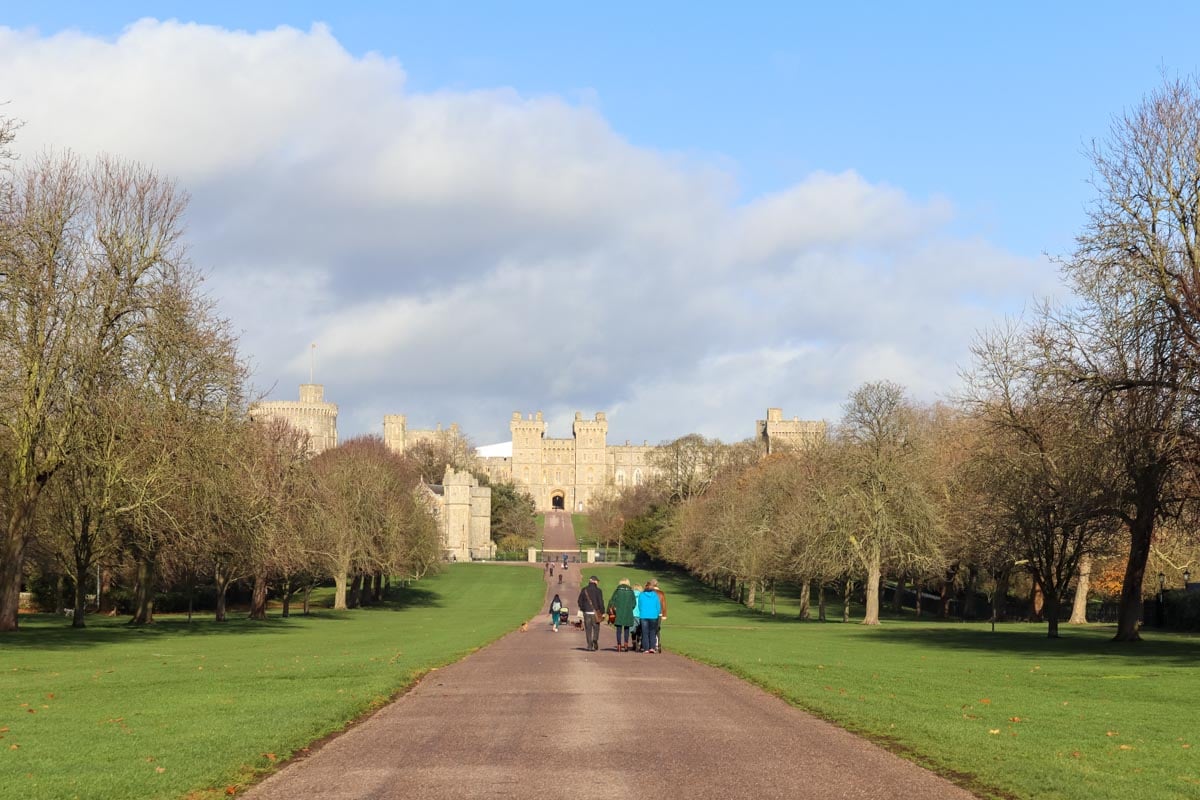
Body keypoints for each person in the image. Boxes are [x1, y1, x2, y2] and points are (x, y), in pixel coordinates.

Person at [607, 578, 637, 652]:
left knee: (619, 630)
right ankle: (626, 645)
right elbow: (634, 604)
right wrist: (629, 609)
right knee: (626, 630)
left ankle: (619, 645)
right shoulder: (631, 592)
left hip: (619, 613)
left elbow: (612, 601)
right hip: (628, 613)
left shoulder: (617, 591)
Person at [578, 575, 605, 651]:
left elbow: (579, 601)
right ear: (595, 581)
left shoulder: (584, 589)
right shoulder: (598, 591)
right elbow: (601, 602)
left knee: (588, 630)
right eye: (597, 581)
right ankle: (595, 639)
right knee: (596, 628)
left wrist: (583, 608)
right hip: (595, 613)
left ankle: (589, 646)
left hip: (586, 612)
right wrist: (602, 612)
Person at [636, 580, 662, 654]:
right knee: (652, 632)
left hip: (644, 615)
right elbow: (658, 606)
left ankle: (646, 648)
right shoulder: (655, 595)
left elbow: (640, 605)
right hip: (653, 616)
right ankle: (652, 648)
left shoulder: (641, 595)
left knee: (645, 632)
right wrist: (657, 614)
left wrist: (642, 612)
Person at [650, 578, 668, 652]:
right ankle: (657, 643)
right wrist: (664, 615)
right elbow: (663, 604)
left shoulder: (649, 592)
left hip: (650, 613)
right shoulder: (661, 593)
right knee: (657, 629)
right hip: (659, 614)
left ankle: (650, 644)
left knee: (650, 628)